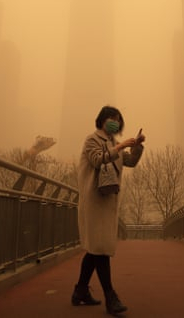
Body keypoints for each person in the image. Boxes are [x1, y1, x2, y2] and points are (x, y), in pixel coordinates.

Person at [72, 105, 145, 315]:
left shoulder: (114, 143)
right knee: (101, 249)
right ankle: (110, 297)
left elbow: (129, 162)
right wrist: (121, 146)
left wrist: (136, 146)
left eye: (118, 120)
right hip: (94, 202)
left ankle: (80, 291)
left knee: (95, 248)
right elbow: (97, 159)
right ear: (102, 120)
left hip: (108, 201)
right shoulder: (92, 140)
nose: (115, 122)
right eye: (111, 119)